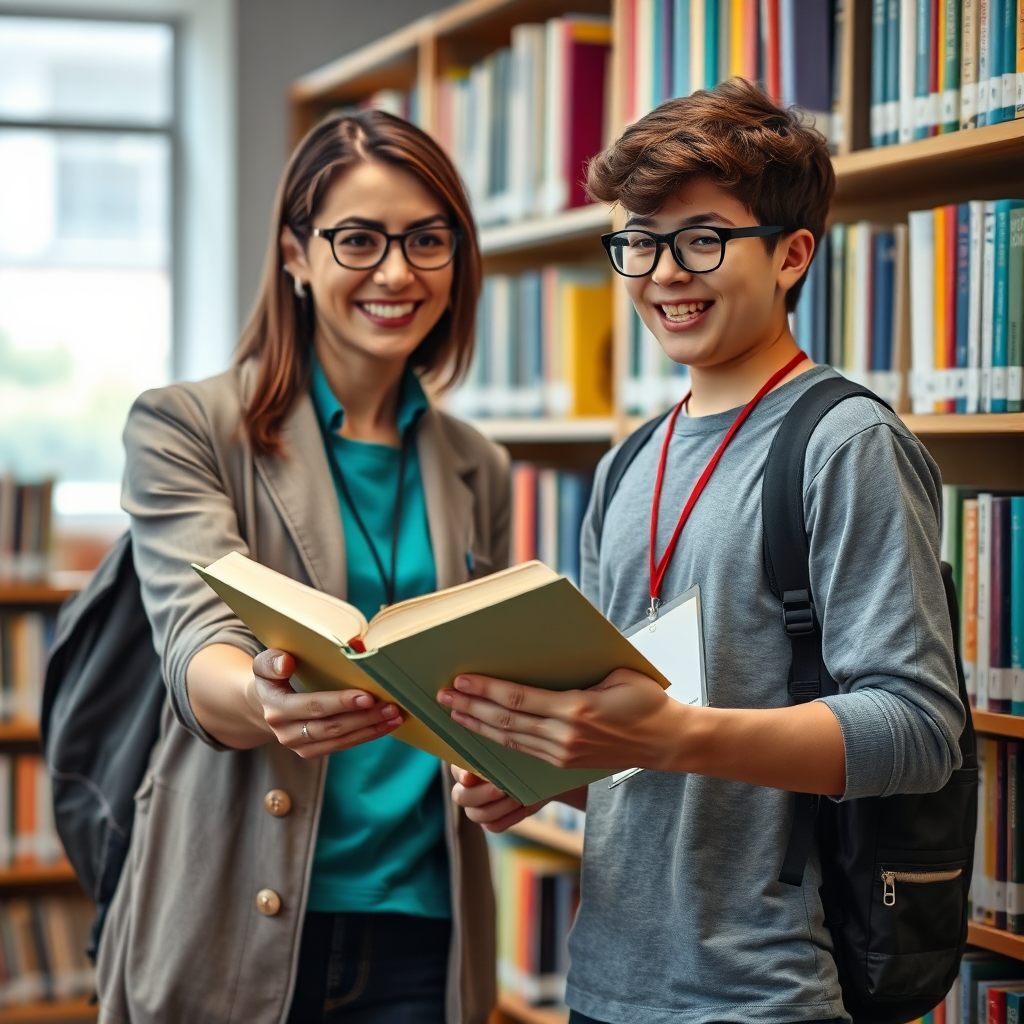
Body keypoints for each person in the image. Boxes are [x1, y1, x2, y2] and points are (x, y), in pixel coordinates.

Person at [438, 79, 964, 1024]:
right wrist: (542, 769)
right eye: (639, 242)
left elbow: (920, 729)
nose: (664, 273)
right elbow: (635, 744)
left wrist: (671, 734)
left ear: (793, 254)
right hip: (605, 980)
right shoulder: (628, 461)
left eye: (702, 240)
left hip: (765, 992)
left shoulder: (844, 445)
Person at [96, 110, 508, 1024]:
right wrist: (262, 698)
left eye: (427, 240)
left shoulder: (479, 464)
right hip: (234, 914)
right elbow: (196, 642)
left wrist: (506, 761)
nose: (397, 272)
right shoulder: (186, 427)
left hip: (423, 928)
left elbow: (479, 677)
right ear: (295, 254)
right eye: (358, 239)